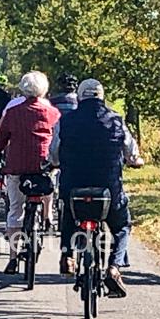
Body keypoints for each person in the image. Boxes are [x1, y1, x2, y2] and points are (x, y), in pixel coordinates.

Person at [49, 79, 144, 297]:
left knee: (69, 217)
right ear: (102, 97)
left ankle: (67, 255)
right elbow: (131, 152)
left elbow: (54, 151)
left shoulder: (66, 121)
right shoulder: (116, 120)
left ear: (80, 97)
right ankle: (114, 266)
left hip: (74, 185)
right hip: (109, 188)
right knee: (121, 226)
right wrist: (136, 161)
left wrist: (54, 162)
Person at [0, 71, 60, 274]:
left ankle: (13, 258)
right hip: (43, 166)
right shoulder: (53, 113)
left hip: (17, 167)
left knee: (15, 210)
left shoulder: (13, 113)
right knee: (49, 186)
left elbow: (1, 138)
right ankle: (47, 215)